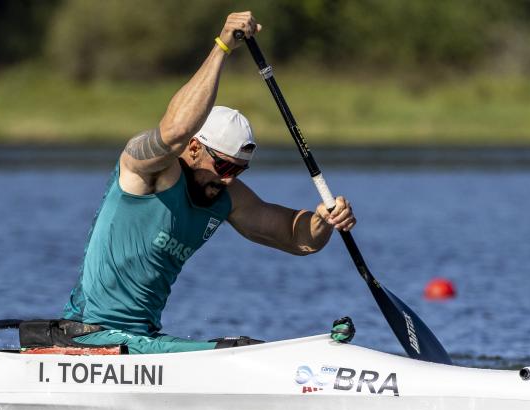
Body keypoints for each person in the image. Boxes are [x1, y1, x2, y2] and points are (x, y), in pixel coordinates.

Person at [62, 11, 356, 354]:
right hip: (89, 337)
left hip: (142, 342)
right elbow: (173, 131)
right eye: (223, 165)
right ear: (194, 148)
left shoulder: (224, 196)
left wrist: (323, 219)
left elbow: (297, 237)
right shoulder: (147, 171)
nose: (229, 178)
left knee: (243, 349)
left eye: (239, 170)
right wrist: (222, 47)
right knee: (240, 354)